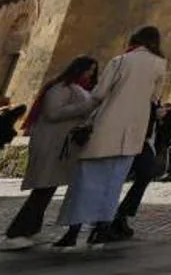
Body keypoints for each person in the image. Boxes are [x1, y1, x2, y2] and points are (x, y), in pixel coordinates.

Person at [56, 26, 166, 249]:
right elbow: (155, 98)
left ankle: (72, 232)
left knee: (86, 182)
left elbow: (98, 94)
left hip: (106, 128)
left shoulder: (120, 61)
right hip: (132, 133)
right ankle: (101, 230)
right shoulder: (159, 65)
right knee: (112, 184)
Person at [1, 56, 98, 250]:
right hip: (52, 145)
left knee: (47, 189)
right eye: (89, 70)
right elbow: (53, 112)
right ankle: (16, 233)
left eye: (93, 71)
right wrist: (86, 106)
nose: (91, 74)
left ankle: (29, 230)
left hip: (63, 147)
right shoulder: (61, 87)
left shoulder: (78, 89)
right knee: (43, 189)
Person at [112, 100, 171, 239]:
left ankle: (121, 214)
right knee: (118, 177)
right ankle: (108, 218)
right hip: (133, 137)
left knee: (146, 174)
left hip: (145, 142)